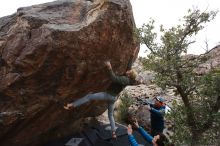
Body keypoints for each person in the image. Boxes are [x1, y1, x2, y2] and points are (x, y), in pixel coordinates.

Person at [63, 48, 139, 139]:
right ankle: (114, 133)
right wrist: (132, 55)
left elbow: (114, 78)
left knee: (89, 96)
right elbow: (129, 67)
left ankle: (72, 105)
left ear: (129, 75)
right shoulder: (128, 79)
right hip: (113, 98)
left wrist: (109, 68)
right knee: (110, 115)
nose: (128, 70)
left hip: (108, 95)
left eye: (129, 72)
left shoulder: (124, 79)